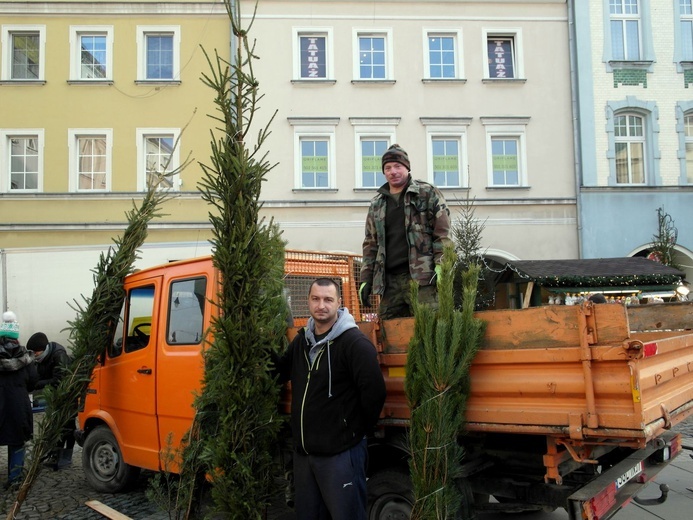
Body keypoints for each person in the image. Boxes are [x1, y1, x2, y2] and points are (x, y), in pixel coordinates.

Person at [275, 278, 386, 520]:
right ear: (308, 302)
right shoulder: (301, 341)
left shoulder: (355, 344)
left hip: (340, 456)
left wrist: (353, 433)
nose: (321, 305)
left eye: (328, 299)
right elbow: (279, 372)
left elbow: (374, 392)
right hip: (305, 456)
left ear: (339, 303)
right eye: (315, 299)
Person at [360, 143, 452, 319]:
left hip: (423, 280)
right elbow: (370, 243)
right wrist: (366, 279)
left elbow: (442, 233)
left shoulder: (427, 193)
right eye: (388, 168)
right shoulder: (377, 203)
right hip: (390, 283)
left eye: (397, 166)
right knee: (389, 335)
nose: (393, 171)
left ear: (407, 168)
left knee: (429, 330)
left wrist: (442, 265)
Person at [26, 332, 75, 470]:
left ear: (43, 349)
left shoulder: (58, 355)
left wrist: (38, 384)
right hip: (54, 396)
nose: (34, 355)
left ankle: (66, 456)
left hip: (66, 395)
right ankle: (56, 455)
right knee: (55, 425)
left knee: (68, 426)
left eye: (36, 352)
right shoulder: (42, 358)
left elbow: (60, 379)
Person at [0, 311, 38, 489]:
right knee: (16, 442)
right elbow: (32, 382)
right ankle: (15, 479)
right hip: (18, 406)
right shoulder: (26, 358)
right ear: (16, 338)